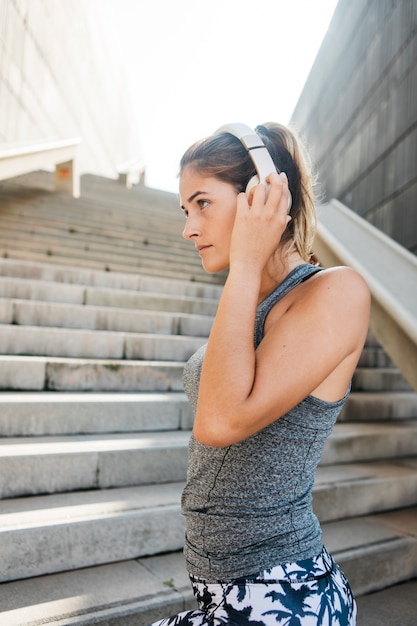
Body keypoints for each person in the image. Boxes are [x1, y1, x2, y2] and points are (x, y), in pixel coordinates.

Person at [151, 122, 370, 626]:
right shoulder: (247, 298)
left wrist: (248, 259)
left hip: (284, 595)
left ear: (262, 194)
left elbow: (221, 422)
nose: (188, 228)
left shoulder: (337, 291)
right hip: (228, 594)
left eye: (202, 203)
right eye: (186, 210)